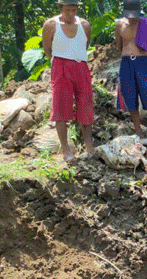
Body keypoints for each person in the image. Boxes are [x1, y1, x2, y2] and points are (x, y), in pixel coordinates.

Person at [42, 0, 94, 161]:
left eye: (73, 10)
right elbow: (47, 48)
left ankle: (89, 146)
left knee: (85, 103)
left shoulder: (84, 25)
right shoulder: (51, 25)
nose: (70, 14)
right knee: (61, 106)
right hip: (60, 66)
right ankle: (66, 150)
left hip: (80, 66)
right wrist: (60, 63)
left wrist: (75, 59)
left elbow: (85, 45)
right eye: (67, 10)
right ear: (60, 9)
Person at [115, 0, 147, 142]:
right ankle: (138, 132)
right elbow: (119, 46)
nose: (132, 18)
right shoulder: (119, 25)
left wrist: (144, 58)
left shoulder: (146, 24)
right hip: (126, 63)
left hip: (144, 63)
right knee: (130, 98)